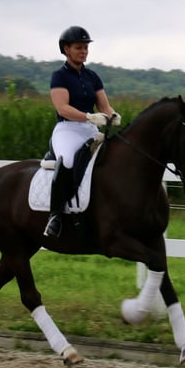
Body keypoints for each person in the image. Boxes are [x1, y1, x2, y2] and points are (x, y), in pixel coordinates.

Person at [43, 25, 120, 238]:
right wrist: (88, 116)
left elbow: (104, 106)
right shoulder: (59, 76)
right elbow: (62, 108)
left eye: (86, 47)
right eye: (79, 47)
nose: (84, 51)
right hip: (67, 129)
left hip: (89, 128)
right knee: (67, 160)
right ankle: (55, 216)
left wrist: (113, 115)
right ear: (66, 49)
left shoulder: (92, 76)